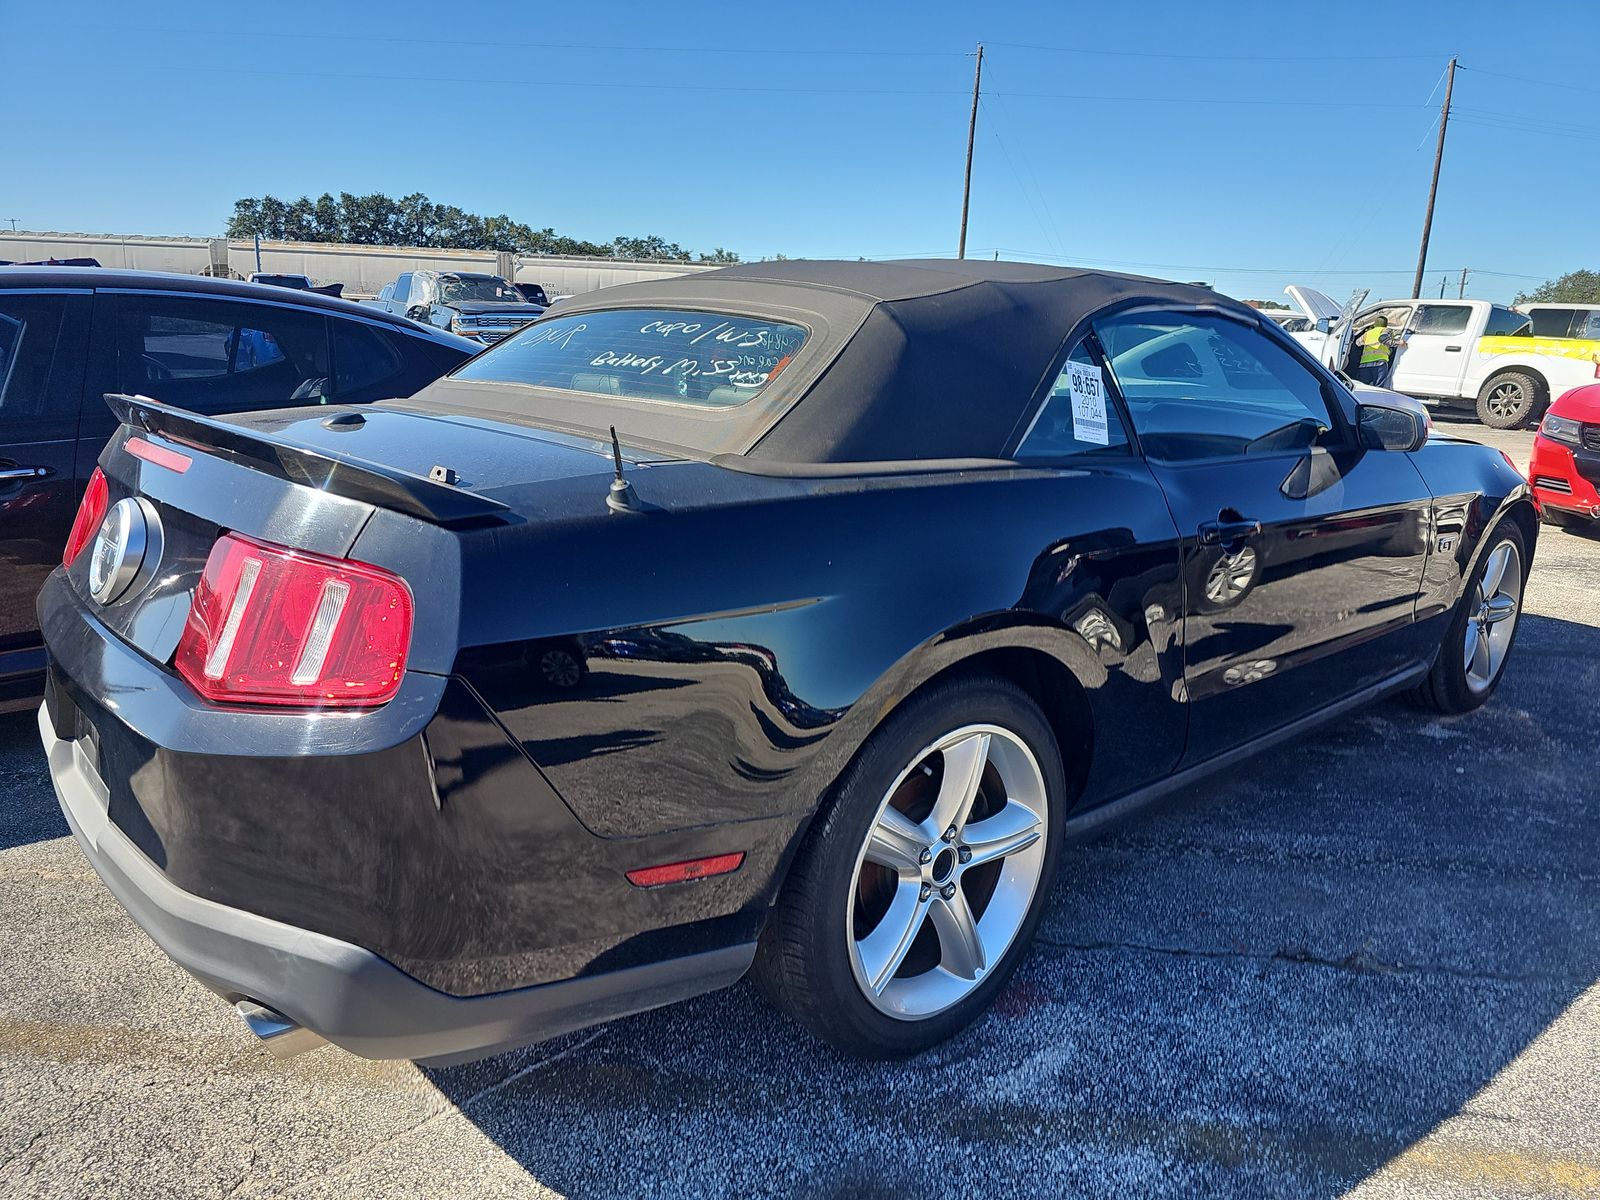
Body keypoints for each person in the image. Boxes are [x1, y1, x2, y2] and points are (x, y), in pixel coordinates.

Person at [1355, 316, 1404, 386]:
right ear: (1385, 324)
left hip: (1364, 364)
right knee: (1378, 386)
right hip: (1379, 363)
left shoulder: (1368, 333)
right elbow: (1384, 340)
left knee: (1363, 386)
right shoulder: (1386, 330)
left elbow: (1357, 343)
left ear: (1375, 324)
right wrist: (1400, 342)